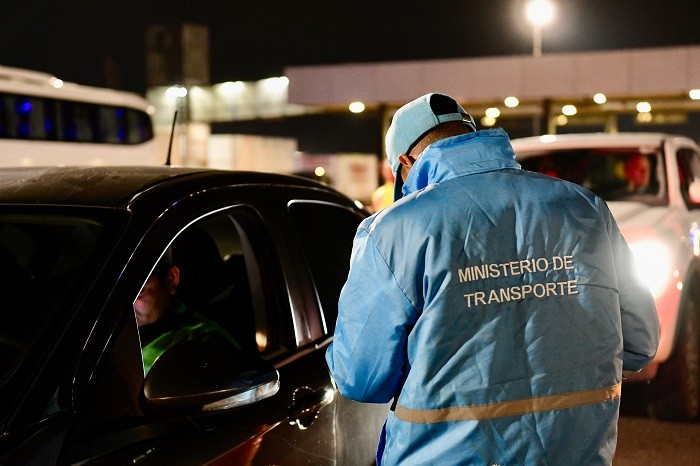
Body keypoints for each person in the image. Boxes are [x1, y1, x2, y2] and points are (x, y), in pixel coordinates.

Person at [326, 93, 659, 465]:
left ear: (406, 161)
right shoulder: (584, 207)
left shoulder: (393, 230)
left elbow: (361, 378)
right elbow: (640, 342)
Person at [134, 251, 240, 374]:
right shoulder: (118, 331)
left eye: (139, 291)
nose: (128, 304)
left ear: (171, 279)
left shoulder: (203, 342)